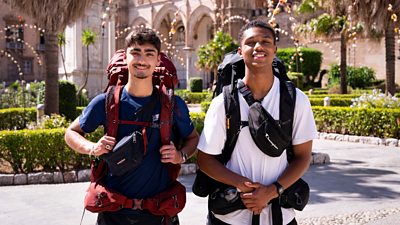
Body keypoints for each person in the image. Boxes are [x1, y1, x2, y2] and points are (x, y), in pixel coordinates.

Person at [64, 27, 199, 225]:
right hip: (113, 213)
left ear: (158, 60)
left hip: (159, 214)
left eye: (149, 53)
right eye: (135, 52)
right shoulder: (106, 101)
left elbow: (193, 138)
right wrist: (92, 148)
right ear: (125, 57)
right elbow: (71, 133)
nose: (142, 60)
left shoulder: (172, 104)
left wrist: (181, 155)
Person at [197, 20, 317, 225]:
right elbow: (205, 159)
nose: (258, 47)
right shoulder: (224, 103)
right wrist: (244, 187)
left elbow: (303, 157)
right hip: (231, 217)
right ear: (240, 51)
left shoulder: (296, 100)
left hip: (281, 216)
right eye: (251, 42)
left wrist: (272, 191)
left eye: (265, 41)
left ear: (275, 49)